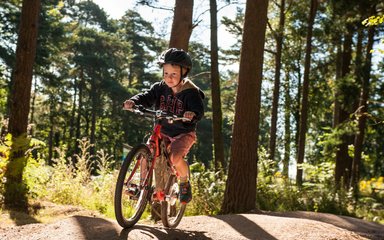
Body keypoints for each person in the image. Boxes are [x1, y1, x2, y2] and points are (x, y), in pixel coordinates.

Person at [123, 48, 205, 204]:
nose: (169, 77)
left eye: (173, 74)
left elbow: (198, 110)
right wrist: (134, 102)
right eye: (166, 73)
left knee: (175, 157)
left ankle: (184, 182)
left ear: (184, 73)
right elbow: (146, 96)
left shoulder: (191, 92)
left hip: (183, 133)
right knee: (147, 153)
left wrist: (191, 114)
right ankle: (143, 187)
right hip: (164, 131)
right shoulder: (160, 88)